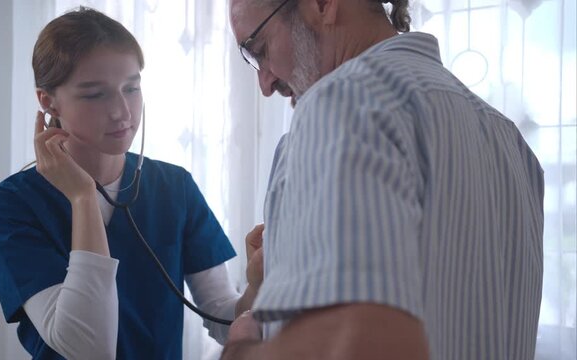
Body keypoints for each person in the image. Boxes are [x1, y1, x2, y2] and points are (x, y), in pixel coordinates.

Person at [223, 0, 544, 359]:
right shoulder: (513, 146)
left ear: (322, 5)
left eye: (260, 49)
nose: (265, 83)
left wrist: (242, 347)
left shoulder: (341, 104)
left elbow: (363, 345)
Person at [0, 7, 262, 360]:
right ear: (48, 101)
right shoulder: (9, 207)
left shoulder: (175, 188)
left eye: (131, 88)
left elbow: (221, 316)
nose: (122, 112)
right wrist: (82, 199)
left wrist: (258, 285)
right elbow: (87, 349)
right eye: (95, 94)